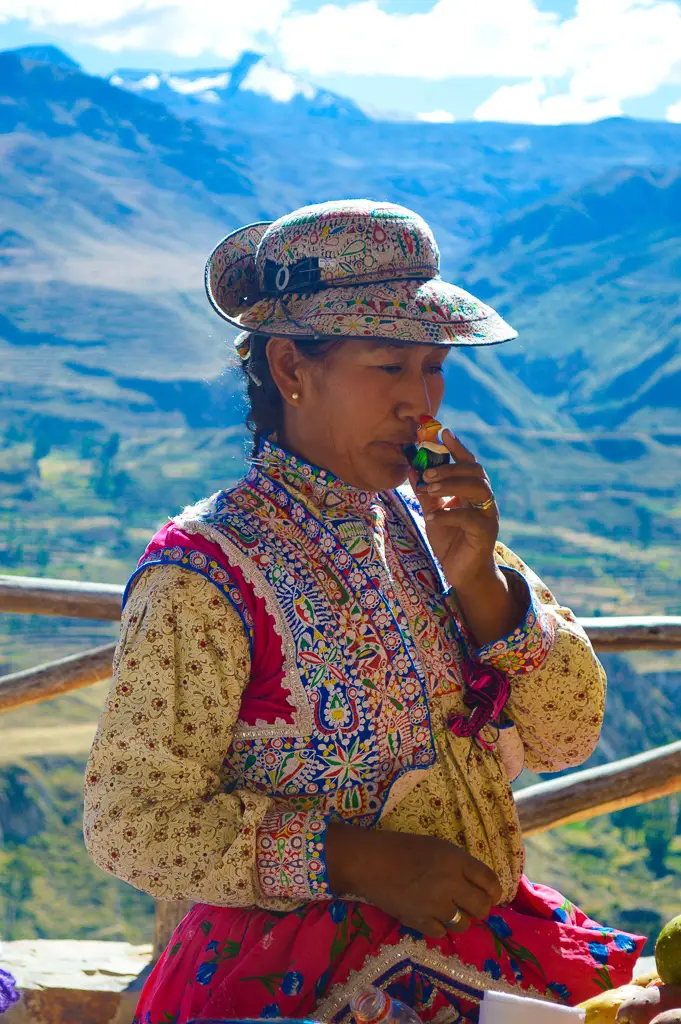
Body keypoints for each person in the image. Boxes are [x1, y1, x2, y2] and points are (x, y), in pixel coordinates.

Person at [83, 199, 644, 1024]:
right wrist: (348, 858)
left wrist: (482, 582)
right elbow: (131, 820)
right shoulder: (208, 572)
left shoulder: (432, 528)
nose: (421, 404)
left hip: (480, 941)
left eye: (433, 368)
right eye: (388, 367)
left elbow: (567, 733)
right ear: (289, 370)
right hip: (290, 982)